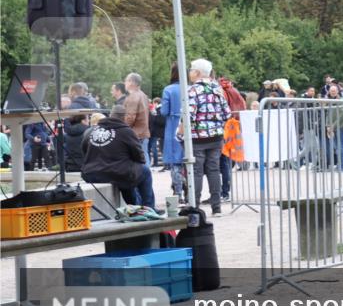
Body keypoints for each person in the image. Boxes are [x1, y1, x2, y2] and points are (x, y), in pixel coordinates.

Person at [82, 105, 155, 208]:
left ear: (110, 115)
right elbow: (139, 156)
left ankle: (136, 207)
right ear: (124, 118)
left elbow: (84, 151)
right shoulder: (126, 131)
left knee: (126, 174)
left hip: (91, 174)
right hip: (117, 172)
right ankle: (149, 207)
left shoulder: (91, 131)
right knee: (144, 172)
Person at [186, 58, 231, 215]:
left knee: (197, 171)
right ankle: (216, 207)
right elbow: (227, 113)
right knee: (214, 170)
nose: (189, 73)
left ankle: (195, 207)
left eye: (191, 70)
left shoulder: (192, 90)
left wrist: (180, 131)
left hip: (197, 137)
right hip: (216, 136)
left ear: (197, 72)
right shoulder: (218, 89)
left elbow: (189, 115)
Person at [160, 63, 185, 197]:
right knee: (187, 160)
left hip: (173, 126)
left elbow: (164, 111)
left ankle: (178, 192)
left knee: (175, 162)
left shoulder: (168, 90)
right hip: (188, 125)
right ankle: (189, 192)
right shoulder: (190, 88)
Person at [123, 73, 151, 160]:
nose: (125, 83)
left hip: (135, 134)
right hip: (143, 133)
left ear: (131, 82)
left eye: (126, 81)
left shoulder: (133, 97)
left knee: (139, 161)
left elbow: (130, 117)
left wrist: (122, 128)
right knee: (144, 158)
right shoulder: (143, 95)